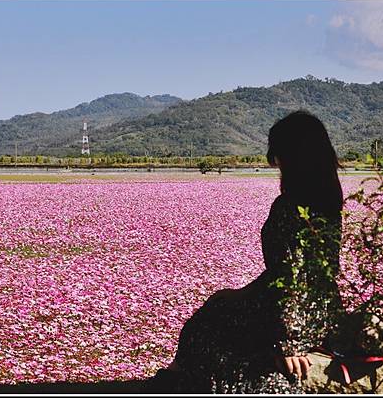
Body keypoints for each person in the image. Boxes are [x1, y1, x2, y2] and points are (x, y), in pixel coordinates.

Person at [145, 111, 344, 393]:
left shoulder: (289, 207)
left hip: (291, 315)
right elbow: (317, 271)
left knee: (204, 327)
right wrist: (242, 294)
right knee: (219, 302)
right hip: (323, 308)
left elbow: (290, 278)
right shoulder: (329, 202)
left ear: (290, 156)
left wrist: (289, 342)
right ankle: (175, 379)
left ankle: (176, 382)